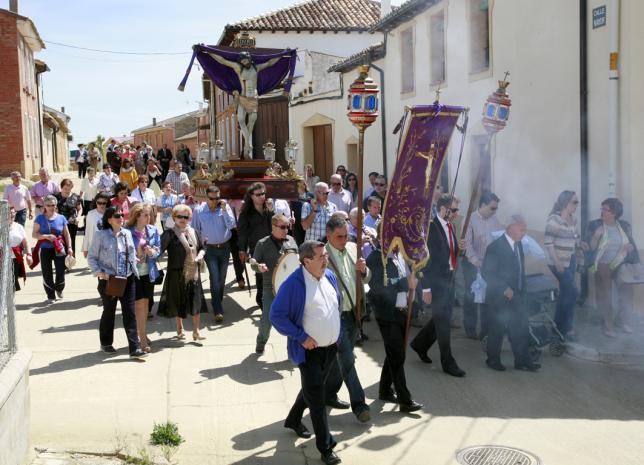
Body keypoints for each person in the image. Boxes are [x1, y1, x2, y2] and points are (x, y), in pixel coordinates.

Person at [270, 241, 342, 465]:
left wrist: (336, 333)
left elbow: (335, 305)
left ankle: (293, 419)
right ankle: (326, 447)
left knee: (313, 388)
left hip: (330, 348)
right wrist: (300, 336)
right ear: (307, 261)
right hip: (308, 352)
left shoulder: (329, 276)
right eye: (321, 257)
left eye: (326, 255)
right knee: (318, 399)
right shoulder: (293, 284)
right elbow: (276, 315)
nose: (326, 260)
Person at [410, 194, 466, 377]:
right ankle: (448, 362)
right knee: (443, 323)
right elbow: (424, 260)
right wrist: (426, 288)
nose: (456, 213)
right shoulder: (430, 228)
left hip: (449, 279)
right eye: (454, 210)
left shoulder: (451, 226)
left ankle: (420, 344)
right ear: (443, 209)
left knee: (442, 317)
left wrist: (460, 249)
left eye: (457, 210)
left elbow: (449, 254)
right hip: (435, 282)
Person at [324, 217, 371, 422]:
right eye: (339, 237)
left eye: (346, 236)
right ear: (328, 236)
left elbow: (367, 278)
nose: (344, 240)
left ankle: (328, 393)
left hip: (353, 312)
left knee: (341, 359)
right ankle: (360, 405)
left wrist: (364, 270)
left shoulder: (353, 249)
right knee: (347, 359)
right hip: (334, 317)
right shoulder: (321, 256)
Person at [366, 243, 423, 413]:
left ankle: (385, 390)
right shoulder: (375, 258)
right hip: (386, 315)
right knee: (397, 355)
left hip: (402, 312)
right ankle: (405, 400)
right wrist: (405, 283)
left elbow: (409, 277)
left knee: (394, 353)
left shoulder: (400, 255)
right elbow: (378, 288)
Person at [88, 206, 147, 358]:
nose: (120, 218)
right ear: (109, 220)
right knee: (109, 311)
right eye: (116, 216)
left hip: (127, 278)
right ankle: (106, 343)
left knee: (130, 313)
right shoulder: (100, 235)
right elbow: (92, 257)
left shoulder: (127, 233)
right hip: (109, 280)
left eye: (121, 215)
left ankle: (134, 348)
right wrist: (100, 273)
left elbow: (131, 252)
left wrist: (135, 260)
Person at [482, 214, 539, 371]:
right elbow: (487, 272)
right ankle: (493, 360)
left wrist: (523, 290)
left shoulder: (518, 245)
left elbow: (520, 270)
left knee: (520, 328)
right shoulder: (495, 247)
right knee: (497, 329)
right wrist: (504, 288)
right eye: (522, 230)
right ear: (511, 228)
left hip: (517, 295)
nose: (524, 233)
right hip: (499, 297)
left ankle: (522, 361)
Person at [585, 198, 640, 337]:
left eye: (605, 209)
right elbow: (589, 248)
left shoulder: (624, 226)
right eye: (602, 208)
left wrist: (630, 250)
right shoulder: (595, 225)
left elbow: (632, 245)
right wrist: (595, 237)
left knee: (627, 290)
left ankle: (622, 321)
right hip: (602, 264)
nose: (602, 212)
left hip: (620, 263)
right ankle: (607, 324)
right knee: (605, 293)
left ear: (614, 213)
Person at [209, 51, 281, 157]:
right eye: (242, 61)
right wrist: (209, 52)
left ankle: (247, 143)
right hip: (243, 96)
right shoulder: (239, 68)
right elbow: (223, 61)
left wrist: (281, 54)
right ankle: (248, 143)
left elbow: (270, 63)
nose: (244, 62)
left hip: (253, 97)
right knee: (241, 119)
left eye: (245, 60)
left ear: (249, 59)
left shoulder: (256, 68)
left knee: (253, 119)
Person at [157, 204, 209, 340]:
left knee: (195, 302)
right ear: (174, 217)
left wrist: (201, 254)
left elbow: (202, 247)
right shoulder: (169, 234)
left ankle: (196, 331)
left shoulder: (193, 232)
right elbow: (158, 250)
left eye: (186, 217)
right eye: (180, 216)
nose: (183, 219)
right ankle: (179, 328)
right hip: (176, 273)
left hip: (193, 272)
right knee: (178, 302)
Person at [250, 214, 298, 353]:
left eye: (287, 227)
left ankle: (293, 348)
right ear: (273, 226)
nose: (286, 230)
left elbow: (296, 259)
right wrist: (259, 267)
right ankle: (261, 342)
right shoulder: (262, 243)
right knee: (267, 319)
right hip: (270, 286)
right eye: (282, 227)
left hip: (291, 287)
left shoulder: (291, 240)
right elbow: (253, 263)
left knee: (294, 318)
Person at [192, 186, 237, 323]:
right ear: (206, 198)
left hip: (225, 247)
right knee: (215, 277)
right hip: (209, 249)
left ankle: (217, 300)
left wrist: (224, 210)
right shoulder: (199, 211)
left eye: (217, 198)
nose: (215, 201)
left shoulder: (224, 208)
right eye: (212, 198)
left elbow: (232, 225)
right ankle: (217, 308)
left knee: (221, 278)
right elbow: (195, 230)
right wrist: (197, 250)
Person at [463, 192, 502, 339]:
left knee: (488, 297)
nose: (494, 211)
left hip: (489, 265)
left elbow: (498, 240)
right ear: (483, 205)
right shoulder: (470, 219)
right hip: (471, 263)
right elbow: (467, 245)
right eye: (492, 208)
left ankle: (485, 331)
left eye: (496, 208)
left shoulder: (495, 219)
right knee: (471, 296)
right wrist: (477, 262)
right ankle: (470, 329)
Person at [544, 191, 580, 340]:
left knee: (566, 293)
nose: (577, 205)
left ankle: (558, 328)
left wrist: (580, 243)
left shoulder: (573, 219)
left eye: (577, 202)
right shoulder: (555, 219)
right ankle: (565, 327)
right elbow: (548, 242)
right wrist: (557, 262)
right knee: (573, 292)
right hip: (557, 262)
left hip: (570, 260)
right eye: (574, 202)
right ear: (566, 203)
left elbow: (574, 237)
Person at [126, 203, 161, 353]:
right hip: (134, 273)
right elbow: (122, 251)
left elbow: (158, 250)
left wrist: (152, 252)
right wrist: (134, 255)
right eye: (146, 215)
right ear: (137, 216)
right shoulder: (127, 231)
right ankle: (142, 340)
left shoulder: (152, 230)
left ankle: (143, 333)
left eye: (150, 215)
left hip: (149, 272)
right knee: (139, 305)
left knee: (146, 305)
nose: (149, 218)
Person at [31, 195, 73, 303]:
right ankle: (50, 295)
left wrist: (69, 247)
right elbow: (34, 234)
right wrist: (46, 236)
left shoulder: (61, 218)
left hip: (59, 248)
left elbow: (67, 234)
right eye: (48, 205)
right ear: (44, 206)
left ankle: (59, 288)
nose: (51, 207)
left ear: (56, 205)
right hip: (45, 249)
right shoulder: (40, 218)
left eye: (53, 205)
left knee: (61, 271)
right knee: (47, 272)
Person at [238, 182, 273, 308]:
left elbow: (274, 227)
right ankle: (261, 298)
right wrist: (242, 250)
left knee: (271, 273)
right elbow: (242, 233)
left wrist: (271, 212)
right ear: (251, 196)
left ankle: (268, 298)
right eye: (258, 195)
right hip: (256, 248)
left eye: (263, 193)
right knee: (260, 274)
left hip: (271, 245)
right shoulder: (246, 213)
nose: (262, 197)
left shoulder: (268, 209)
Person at [54, 179, 82, 258]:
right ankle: (60, 261)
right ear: (61, 188)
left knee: (71, 243)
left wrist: (78, 217)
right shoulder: (55, 197)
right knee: (60, 243)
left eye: (69, 189)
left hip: (71, 224)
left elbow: (80, 208)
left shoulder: (76, 197)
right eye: (65, 188)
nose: (67, 191)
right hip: (59, 224)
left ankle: (70, 260)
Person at [9, 206, 32, 291]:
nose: (12, 215)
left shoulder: (19, 227)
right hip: (2, 259)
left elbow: (25, 243)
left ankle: (10, 299)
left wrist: (29, 255)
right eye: (9, 213)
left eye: (13, 213)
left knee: (13, 281)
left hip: (16, 258)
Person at [82, 192, 111, 258]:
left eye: (104, 203)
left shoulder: (111, 213)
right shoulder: (90, 214)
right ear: (96, 202)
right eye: (99, 203)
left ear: (107, 203)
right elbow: (87, 232)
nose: (101, 205)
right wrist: (85, 248)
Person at [290, 181, 314, 245]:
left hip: (309, 222)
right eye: (298, 185)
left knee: (309, 243)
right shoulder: (294, 196)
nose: (300, 186)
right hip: (298, 223)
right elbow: (292, 209)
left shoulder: (311, 195)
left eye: (302, 184)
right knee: (300, 243)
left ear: (305, 185)